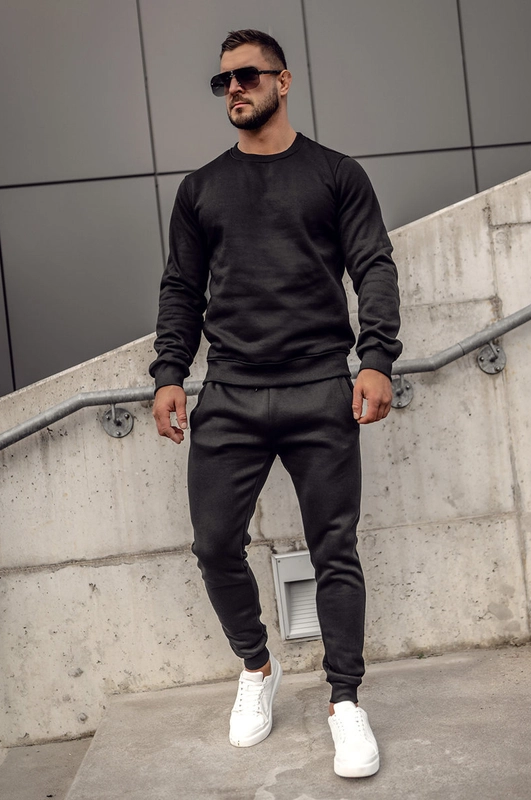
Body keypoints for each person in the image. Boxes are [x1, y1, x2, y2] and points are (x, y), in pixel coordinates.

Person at [150, 29, 402, 779]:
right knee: (213, 545)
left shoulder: (335, 174)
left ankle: (345, 702)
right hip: (229, 391)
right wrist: (170, 372)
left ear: (283, 81)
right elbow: (181, 287)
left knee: (335, 550)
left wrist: (376, 358)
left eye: (248, 75)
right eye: (223, 80)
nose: (234, 88)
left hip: (320, 386)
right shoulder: (200, 189)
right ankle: (257, 666)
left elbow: (373, 264)